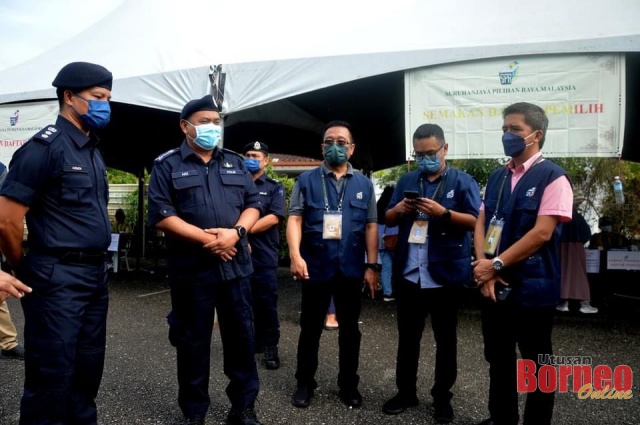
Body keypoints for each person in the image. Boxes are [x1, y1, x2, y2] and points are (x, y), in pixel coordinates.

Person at [0, 61, 114, 424]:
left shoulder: (91, 151)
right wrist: (20, 265)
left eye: (108, 98)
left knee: (87, 370)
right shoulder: (43, 148)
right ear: (69, 97)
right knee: (52, 377)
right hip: (56, 276)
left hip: (95, 275)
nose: (105, 105)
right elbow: (6, 219)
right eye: (97, 97)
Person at [147, 95, 262, 425]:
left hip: (235, 268)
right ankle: (194, 413)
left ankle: (243, 408)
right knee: (192, 344)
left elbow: (253, 205)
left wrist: (236, 233)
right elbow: (162, 215)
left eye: (216, 121)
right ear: (186, 126)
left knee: (241, 340)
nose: (212, 126)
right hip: (192, 271)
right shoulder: (167, 165)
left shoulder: (236, 163)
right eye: (204, 121)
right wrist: (213, 240)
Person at [472, 102, 573, 425]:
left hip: (532, 290)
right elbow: (482, 221)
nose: (508, 135)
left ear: (536, 135)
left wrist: (495, 265)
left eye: (515, 129)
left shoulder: (553, 177)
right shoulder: (498, 177)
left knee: (537, 365)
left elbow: (542, 233)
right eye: (504, 129)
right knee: (499, 360)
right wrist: (482, 266)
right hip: (495, 288)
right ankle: (502, 418)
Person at [382, 123, 481, 423]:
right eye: (419, 153)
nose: (425, 158)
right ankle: (406, 392)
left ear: (445, 149)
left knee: (445, 339)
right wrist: (399, 209)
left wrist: (444, 213)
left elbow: (477, 221)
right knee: (407, 338)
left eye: (431, 153)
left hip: (446, 274)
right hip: (411, 272)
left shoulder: (463, 182)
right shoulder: (407, 179)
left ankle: (442, 398)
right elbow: (386, 217)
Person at [287, 120, 378, 409]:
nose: (335, 147)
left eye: (341, 142)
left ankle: (349, 385)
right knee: (310, 328)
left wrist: (372, 265)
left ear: (351, 149)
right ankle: (304, 382)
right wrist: (295, 255)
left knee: (351, 331)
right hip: (315, 266)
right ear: (322, 147)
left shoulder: (364, 184)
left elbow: (371, 226)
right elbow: (295, 219)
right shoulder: (306, 181)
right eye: (329, 142)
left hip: (350, 268)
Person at [242, 140, 286, 370]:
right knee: (242, 303)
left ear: (266, 160)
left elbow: (274, 217)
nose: (251, 158)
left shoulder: (274, 186)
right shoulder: (235, 184)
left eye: (256, 155)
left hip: (264, 255)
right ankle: (249, 345)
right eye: (248, 154)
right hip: (238, 255)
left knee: (266, 303)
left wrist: (241, 233)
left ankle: (270, 347)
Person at [557, 195, 597, 314]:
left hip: (562, 247)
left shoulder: (561, 218)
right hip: (577, 248)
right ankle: (584, 304)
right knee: (579, 274)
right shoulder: (578, 218)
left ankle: (564, 303)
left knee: (563, 273)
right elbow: (586, 234)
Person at [377, 185, 398, 302]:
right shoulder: (394, 205)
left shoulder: (378, 206)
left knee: (386, 268)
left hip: (381, 240)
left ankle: (387, 293)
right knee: (399, 267)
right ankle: (399, 289)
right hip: (394, 239)